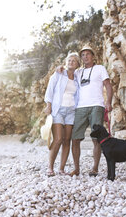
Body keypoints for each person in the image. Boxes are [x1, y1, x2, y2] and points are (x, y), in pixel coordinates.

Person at [59, 46, 113, 177]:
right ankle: (76, 169)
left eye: (88, 54)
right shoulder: (78, 72)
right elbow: (67, 72)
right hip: (80, 108)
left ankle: (95, 168)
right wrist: (59, 68)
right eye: (83, 55)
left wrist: (109, 102)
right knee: (75, 138)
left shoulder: (100, 68)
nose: (85, 57)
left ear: (93, 56)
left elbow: (108, 86)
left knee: (96, 139)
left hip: (97, 105)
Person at [44, 52, 81, 177]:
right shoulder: (59, 74)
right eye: (69, 60)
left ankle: (61, 168)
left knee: (67, 140)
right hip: (58, 109)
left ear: (77, 64)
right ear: (66, 62)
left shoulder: (77, 77)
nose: (71, 62)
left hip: (71, 111)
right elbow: (50, 89)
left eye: (74, 61)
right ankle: (50, 167)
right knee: (58, 138)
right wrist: (48, 105)